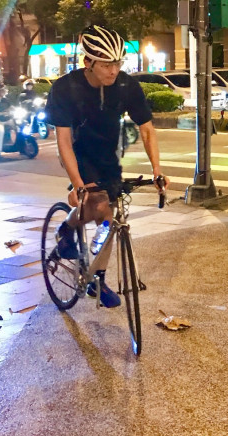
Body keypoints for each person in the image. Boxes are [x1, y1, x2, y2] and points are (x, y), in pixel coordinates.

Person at [45, 25, 168, 308]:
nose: (113, 71)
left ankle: (96, 277)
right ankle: (66, 230)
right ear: (88, 61)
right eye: (106, 64)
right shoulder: (65, 88)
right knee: (98, 203)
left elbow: (147, 129)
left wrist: (157, 170)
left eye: (118, 63)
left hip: (106, 154)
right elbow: (63, 140)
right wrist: (78, 184)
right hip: (78, 151)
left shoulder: (126, 86)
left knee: (110, 216)